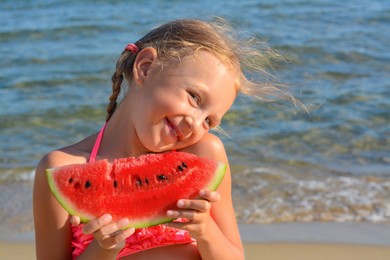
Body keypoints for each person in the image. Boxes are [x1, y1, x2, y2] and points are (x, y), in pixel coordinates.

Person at [33, 18, 291, 259]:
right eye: (194, 97)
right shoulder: (61, 167)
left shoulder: (204, 153)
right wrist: (104, 248)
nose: (195, 123)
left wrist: (205, 231)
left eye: (209, 121)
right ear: (145, 68)